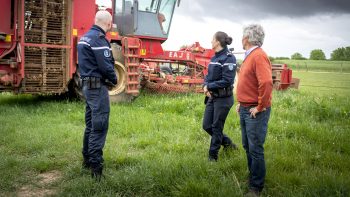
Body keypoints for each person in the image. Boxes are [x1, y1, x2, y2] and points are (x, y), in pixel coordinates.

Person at [77, 10, 117, 181]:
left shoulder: (84, 38)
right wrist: (114, 79)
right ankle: (96, 168)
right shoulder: (99, 40)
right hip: (97, 87)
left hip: (86, 86)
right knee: (99, 126)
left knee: (90, 125)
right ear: (108, 24)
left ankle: (86, 159)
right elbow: (106, 66)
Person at [236, 24, 273, 196]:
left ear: (247, 38)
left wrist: (260, 106)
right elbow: (249, 82)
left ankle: (256, 187)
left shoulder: (258, 56)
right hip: (245, 107)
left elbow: (266, 83)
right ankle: (253, 177)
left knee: (255, 148)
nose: (241, 39)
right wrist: (241, 102)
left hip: (254, 111)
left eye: (242, 36)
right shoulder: (250, 55)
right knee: (247, 145)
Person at [202, 31, 238, 162]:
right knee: (207, 126)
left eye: (212, 39)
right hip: (212, 97)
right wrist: (205, 86)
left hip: (224, 99)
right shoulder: (214, 58)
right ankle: (228, 143)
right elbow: (207, 76)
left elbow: (227, 80)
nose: (211, 41)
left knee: (217, 127)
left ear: (217, 42)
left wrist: (209, 86)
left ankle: (213, 157)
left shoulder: (229, 58)